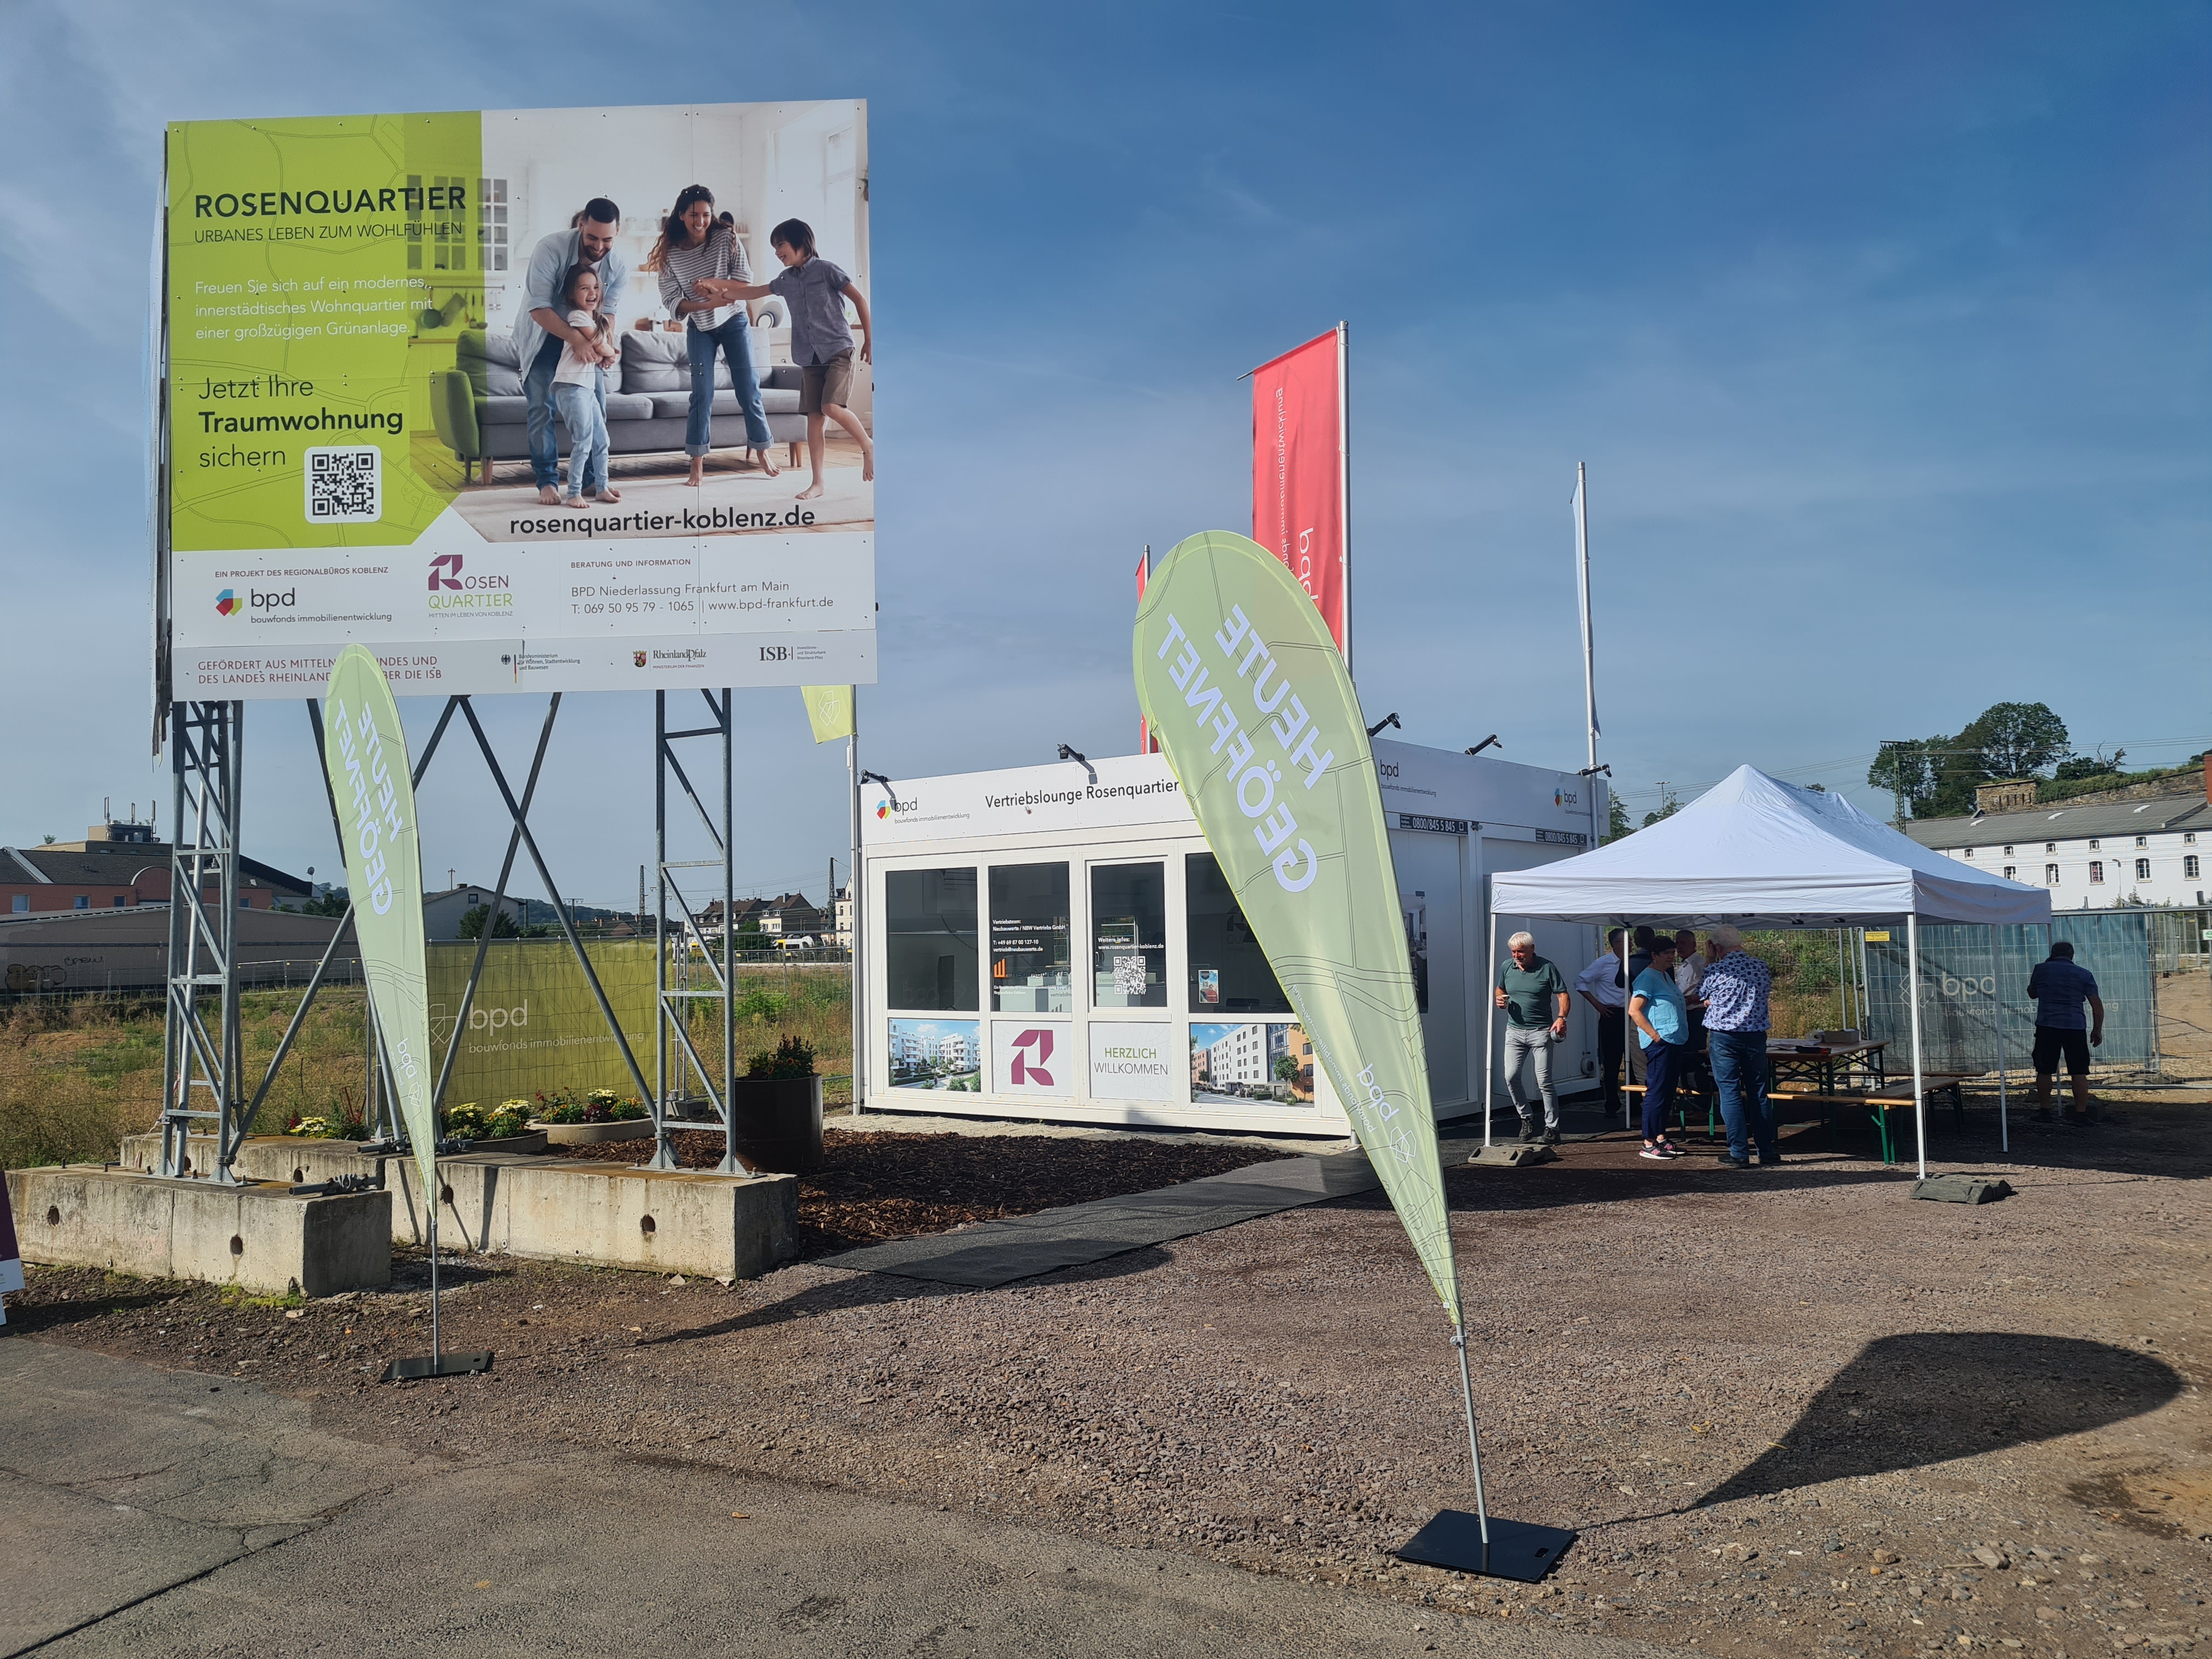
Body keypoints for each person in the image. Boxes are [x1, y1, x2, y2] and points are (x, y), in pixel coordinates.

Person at [718, 218, 875, 500]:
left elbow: (859, 300)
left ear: (801, 242)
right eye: (774, 247)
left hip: (838, 350)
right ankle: (818, 483)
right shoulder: (786, 280)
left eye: (781, 245)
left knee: (830, 406)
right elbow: (757, 291)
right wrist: (726, 294)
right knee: (814, 419)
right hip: (808, 356)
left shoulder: (827, 270)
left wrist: (870, 340)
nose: (777, 252)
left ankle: (868, 445)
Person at [645, 184, 779, 485]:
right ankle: (697, 462)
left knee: (748, 388)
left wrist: (712, 284)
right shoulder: (670, 253)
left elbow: (745, 281)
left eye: (706, 215)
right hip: (700, 326)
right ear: (682, 215)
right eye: (694, 215)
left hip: (734, 321)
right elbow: (671, 300)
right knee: (702, 394)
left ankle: (762, 450)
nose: (701, 221)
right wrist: (705, 303)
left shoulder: (726, 238)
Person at [513, 199, 626, 507]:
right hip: (545, 335)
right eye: (592, 238)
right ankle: (547, 482)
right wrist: (576, 339)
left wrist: (604, 346)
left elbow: (608, 313)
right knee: (541, 407)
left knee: (597, 405)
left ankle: (592, 481)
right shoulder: (550, 249)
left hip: (587, 339)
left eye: (607, 240)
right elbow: (539, 307)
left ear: (617, 232)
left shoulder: (618, 266)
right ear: (580, 226)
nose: (599, 247)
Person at [1700, 925, 1778, 1167]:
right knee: (1759, 1092)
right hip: (1755, 1035)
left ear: (1716, 946)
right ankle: (1767, 1151)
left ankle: (1739, 1152)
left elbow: (1702, 992)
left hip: (1724, 1037)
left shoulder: (1716, 969)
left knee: (1730, 1092)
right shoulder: (1761, 966)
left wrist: (1709, 960)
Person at [1494, 931, 1570, 1145]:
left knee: (1544, 1081)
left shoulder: (1547, 967)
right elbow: (1500, 989)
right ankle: (1526, 1117)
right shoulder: (1506, 967)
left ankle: (1552, 1128)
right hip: (1514, 1032)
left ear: (1532, 949)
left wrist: (1562, 1018)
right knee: (1511, 1076)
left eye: (1521, 951)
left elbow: (1563, 994)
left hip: (1541, 1032)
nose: (1516, 956)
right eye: (1513, 951)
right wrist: (1499, 1000)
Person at [550, 267, 616, 508]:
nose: (592, 293)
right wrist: (609, 353)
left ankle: (602, 488)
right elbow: (600, 345)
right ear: (572, 294)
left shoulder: (597, 321)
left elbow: (601, 350)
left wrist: (605, 353)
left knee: (602, 440)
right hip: (570, 386)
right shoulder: (576, 317)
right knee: (584, 440)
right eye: (585, 288)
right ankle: (574, 492)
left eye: (595, 287)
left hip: (587, 389)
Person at [2026, 940, 2103, 1126]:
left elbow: (2032, 994)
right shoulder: (2084, 974)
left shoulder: (2041, 970)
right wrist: (2097, 1030)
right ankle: (2080, 1114)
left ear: (2052, 954)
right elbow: (2097, 1006)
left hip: (2047, 1026)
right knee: (2079, 1072)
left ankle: (2045, 1111)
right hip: (2075, 1027)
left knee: (2044, 1070)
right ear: (2072, 955)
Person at [1629, 935, 1690, 1159]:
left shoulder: (1665, 976)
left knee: (1667, 1090)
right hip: (1661, 1042)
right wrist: (1654, 1035)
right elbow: (1634, 1010)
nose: (1671, 957)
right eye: (1666, 954)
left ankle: (1661, 1136)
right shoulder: (1647, 977)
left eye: (1673, 953)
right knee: (1656, 1091)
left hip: (1675, 1040)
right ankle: (1648, 1142)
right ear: (1654, 955)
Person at [1575, 928, 1632, 1118]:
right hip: (1612, 1014)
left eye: (1630, 941)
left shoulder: (1633, 962)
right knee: (1612, 1061)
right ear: (1615, 944)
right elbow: (1580, 982)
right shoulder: (1603, 963)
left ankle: (1635, 1103)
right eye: (1625, 941)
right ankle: (1612, 1103)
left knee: (1634, 1059)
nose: (1630, 945)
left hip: (1632, 1013)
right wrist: (1597, 1004)